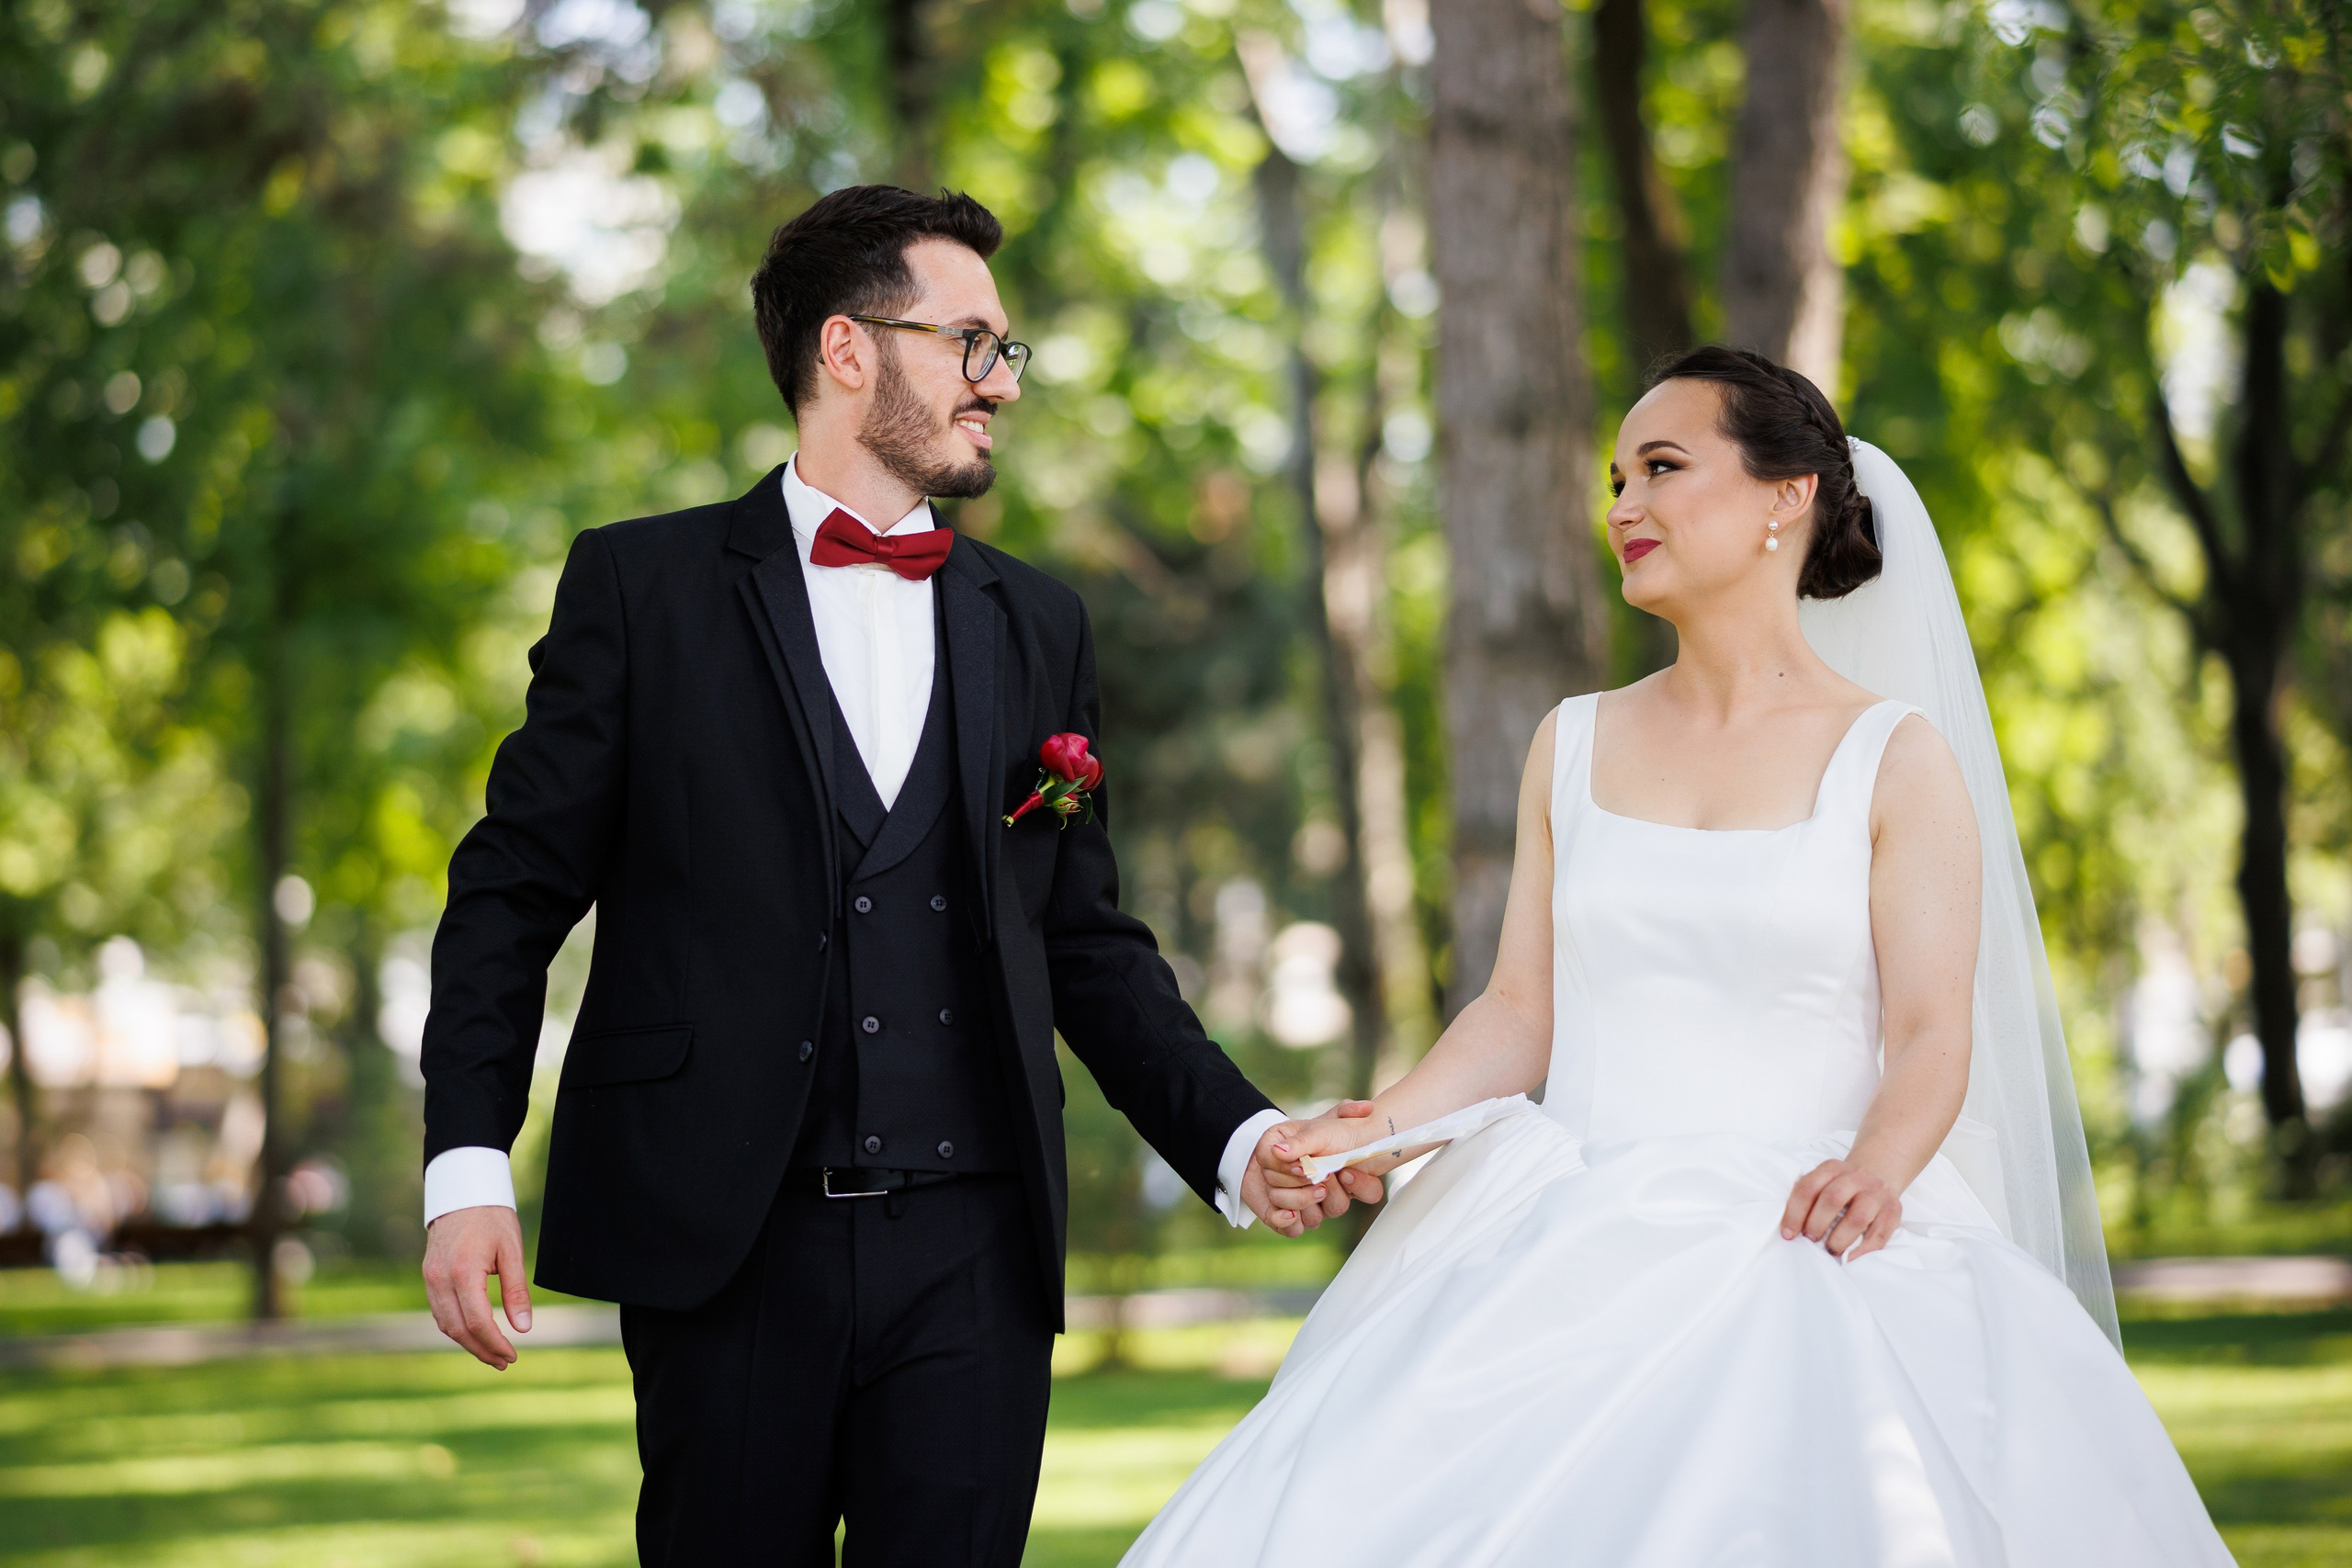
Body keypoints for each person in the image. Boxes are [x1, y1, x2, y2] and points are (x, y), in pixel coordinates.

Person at [1121, 347, 2236, 1567]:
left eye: (1662, 468)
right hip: (1570, 1226)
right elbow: (1518, 1011)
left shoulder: (1897, 758)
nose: (1624, 507)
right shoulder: (1571, 741)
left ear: (1786, 497)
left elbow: (1931, 1032)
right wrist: (1379, 1126)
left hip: (1808, 1231)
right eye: (1617, 480)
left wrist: (1877, 1170)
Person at [416, 185, 1353, 1568]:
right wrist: (465, 1165)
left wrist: (1236, 1136)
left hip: (978, 1251)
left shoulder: (1037, 622)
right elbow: (509, 894)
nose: (1003, 382)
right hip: (726, 1245)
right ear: (847, 350)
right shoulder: (640, 589)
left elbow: (1083, 940)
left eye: (1005, 349)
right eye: (972, 343)